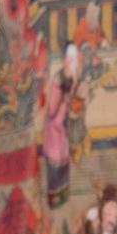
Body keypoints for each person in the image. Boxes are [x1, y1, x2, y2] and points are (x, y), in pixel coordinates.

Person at [40, 41, 80, 207]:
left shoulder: (73, 78)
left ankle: (63, 198)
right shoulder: (57, 81)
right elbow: (52, 113)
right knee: (55, 166)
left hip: (63, 132)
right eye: (69, 59)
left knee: (64, 163)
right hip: (54, 132)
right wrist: (66, 101)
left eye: (74, 59)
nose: (72, 63)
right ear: (64, 60)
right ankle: (54, 201)